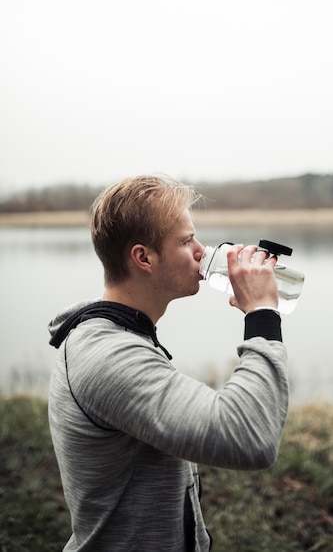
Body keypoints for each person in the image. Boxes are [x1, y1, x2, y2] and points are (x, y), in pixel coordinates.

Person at [48, 174, 289, 552]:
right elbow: (249, 436)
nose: (201, 250)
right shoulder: (110, 358)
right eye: (186, 240)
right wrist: (261, 313)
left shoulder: (121, 334)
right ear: (143, 257)